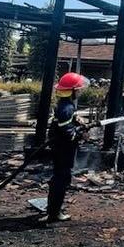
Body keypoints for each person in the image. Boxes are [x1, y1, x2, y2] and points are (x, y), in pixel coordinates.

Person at [45, 72, 89, 223]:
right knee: (62, 179)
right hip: (63, 150)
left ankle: (52, 209)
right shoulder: (67, 108)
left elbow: (65, 123)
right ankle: (54, 213)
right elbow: (67, 132)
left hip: (60, 148)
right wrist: (80, 134)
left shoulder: (66, 106)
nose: (80, 91)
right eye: (78, 89)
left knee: (59, 177)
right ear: (72, 91)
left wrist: (77, 120)